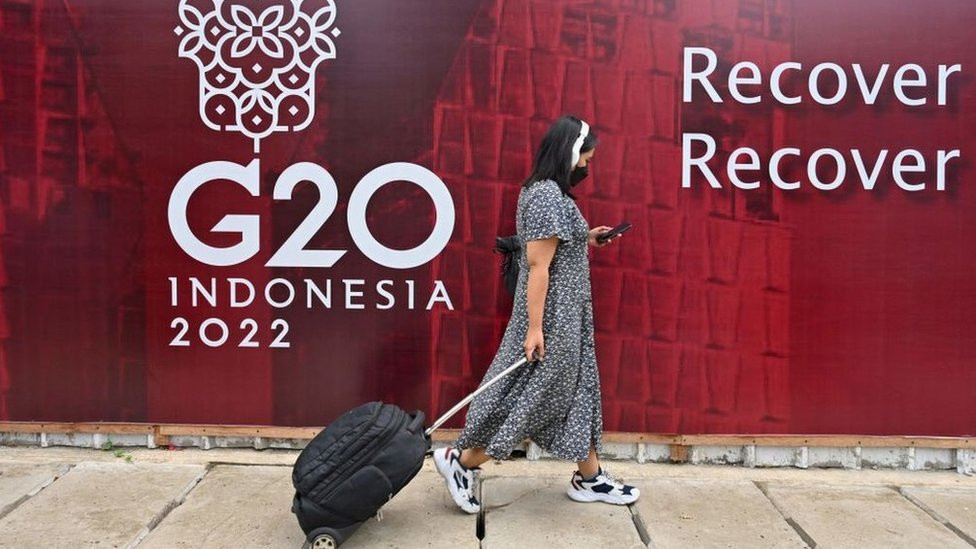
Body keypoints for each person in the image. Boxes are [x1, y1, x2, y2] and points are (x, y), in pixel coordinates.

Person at [434, 115, 640, 514]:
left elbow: (554, 248)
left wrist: (588, 237)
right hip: (554, 320)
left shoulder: (548, 193)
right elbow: (538, 265)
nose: (586, 168)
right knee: (537, 399)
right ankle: (461, 463)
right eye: (586, 159)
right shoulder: (547, 196)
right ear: (568, 153)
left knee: (578, 392)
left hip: (569, 316)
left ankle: (590, 477)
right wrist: (534, 328)